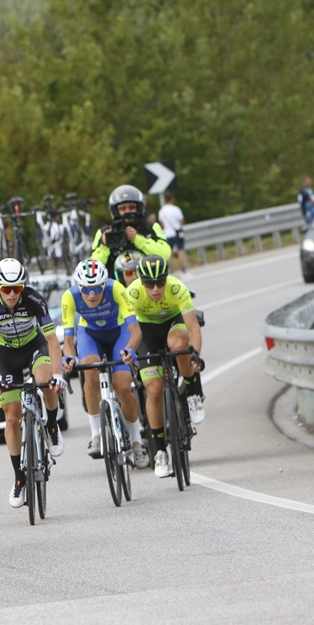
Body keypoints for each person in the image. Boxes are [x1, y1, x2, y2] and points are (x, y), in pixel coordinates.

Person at [0, 259, 66, 508]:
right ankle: (19, 478)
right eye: (6, 289)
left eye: (17, 288)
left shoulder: (34, 300)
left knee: (45, 382)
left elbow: (51, 339)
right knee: (12, 418)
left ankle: (50, 425)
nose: (12, 294)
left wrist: (57, 373)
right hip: (6, 356)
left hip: (33, 347)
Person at [60, 259, 148, 467]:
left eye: (97, 288)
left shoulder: (116, 288)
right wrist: (70, 357)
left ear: (104, 284)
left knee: (123, 386)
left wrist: (131, 350)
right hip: (90, 335)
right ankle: (96, 436)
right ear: (78, 286)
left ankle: (136, 442)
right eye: (86, 289)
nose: (92, 294)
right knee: (89, 371)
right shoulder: (69, 296)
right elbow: (69, 340)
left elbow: (135, 331)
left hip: (118, 333)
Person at [125, 255, 204, 479]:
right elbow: (128, 329)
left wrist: (195, 356)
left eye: (160, 282)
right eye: (150, 284)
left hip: (173, 322)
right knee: (153, 388)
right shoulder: (132, 293)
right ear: (141, 281)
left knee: (179, 344)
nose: (156, 288)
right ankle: (160, 451)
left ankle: (193, 393)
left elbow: (193, 328)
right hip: (146, 331)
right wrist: (128, 351)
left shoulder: (177, 288)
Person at [91, 184, 172, 277]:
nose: (127, 211)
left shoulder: (151, 227)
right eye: (122, 208)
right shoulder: (104, 232)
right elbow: (93, 268)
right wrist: (105, 245)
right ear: (115, 210)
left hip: (148, 283)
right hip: (116, 286)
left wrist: (137, 239)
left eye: (131, 207)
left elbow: (165, 254)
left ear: (139, 207)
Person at [157, 194, 188, 275]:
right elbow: (181, 221)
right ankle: (183, 271)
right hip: (177, 234)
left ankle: (170, 271)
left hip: (167, 234)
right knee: (180, 252)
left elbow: (161, 224)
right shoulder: (176, 209)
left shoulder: (162, 211)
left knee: (169, 254)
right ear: (172, 199)